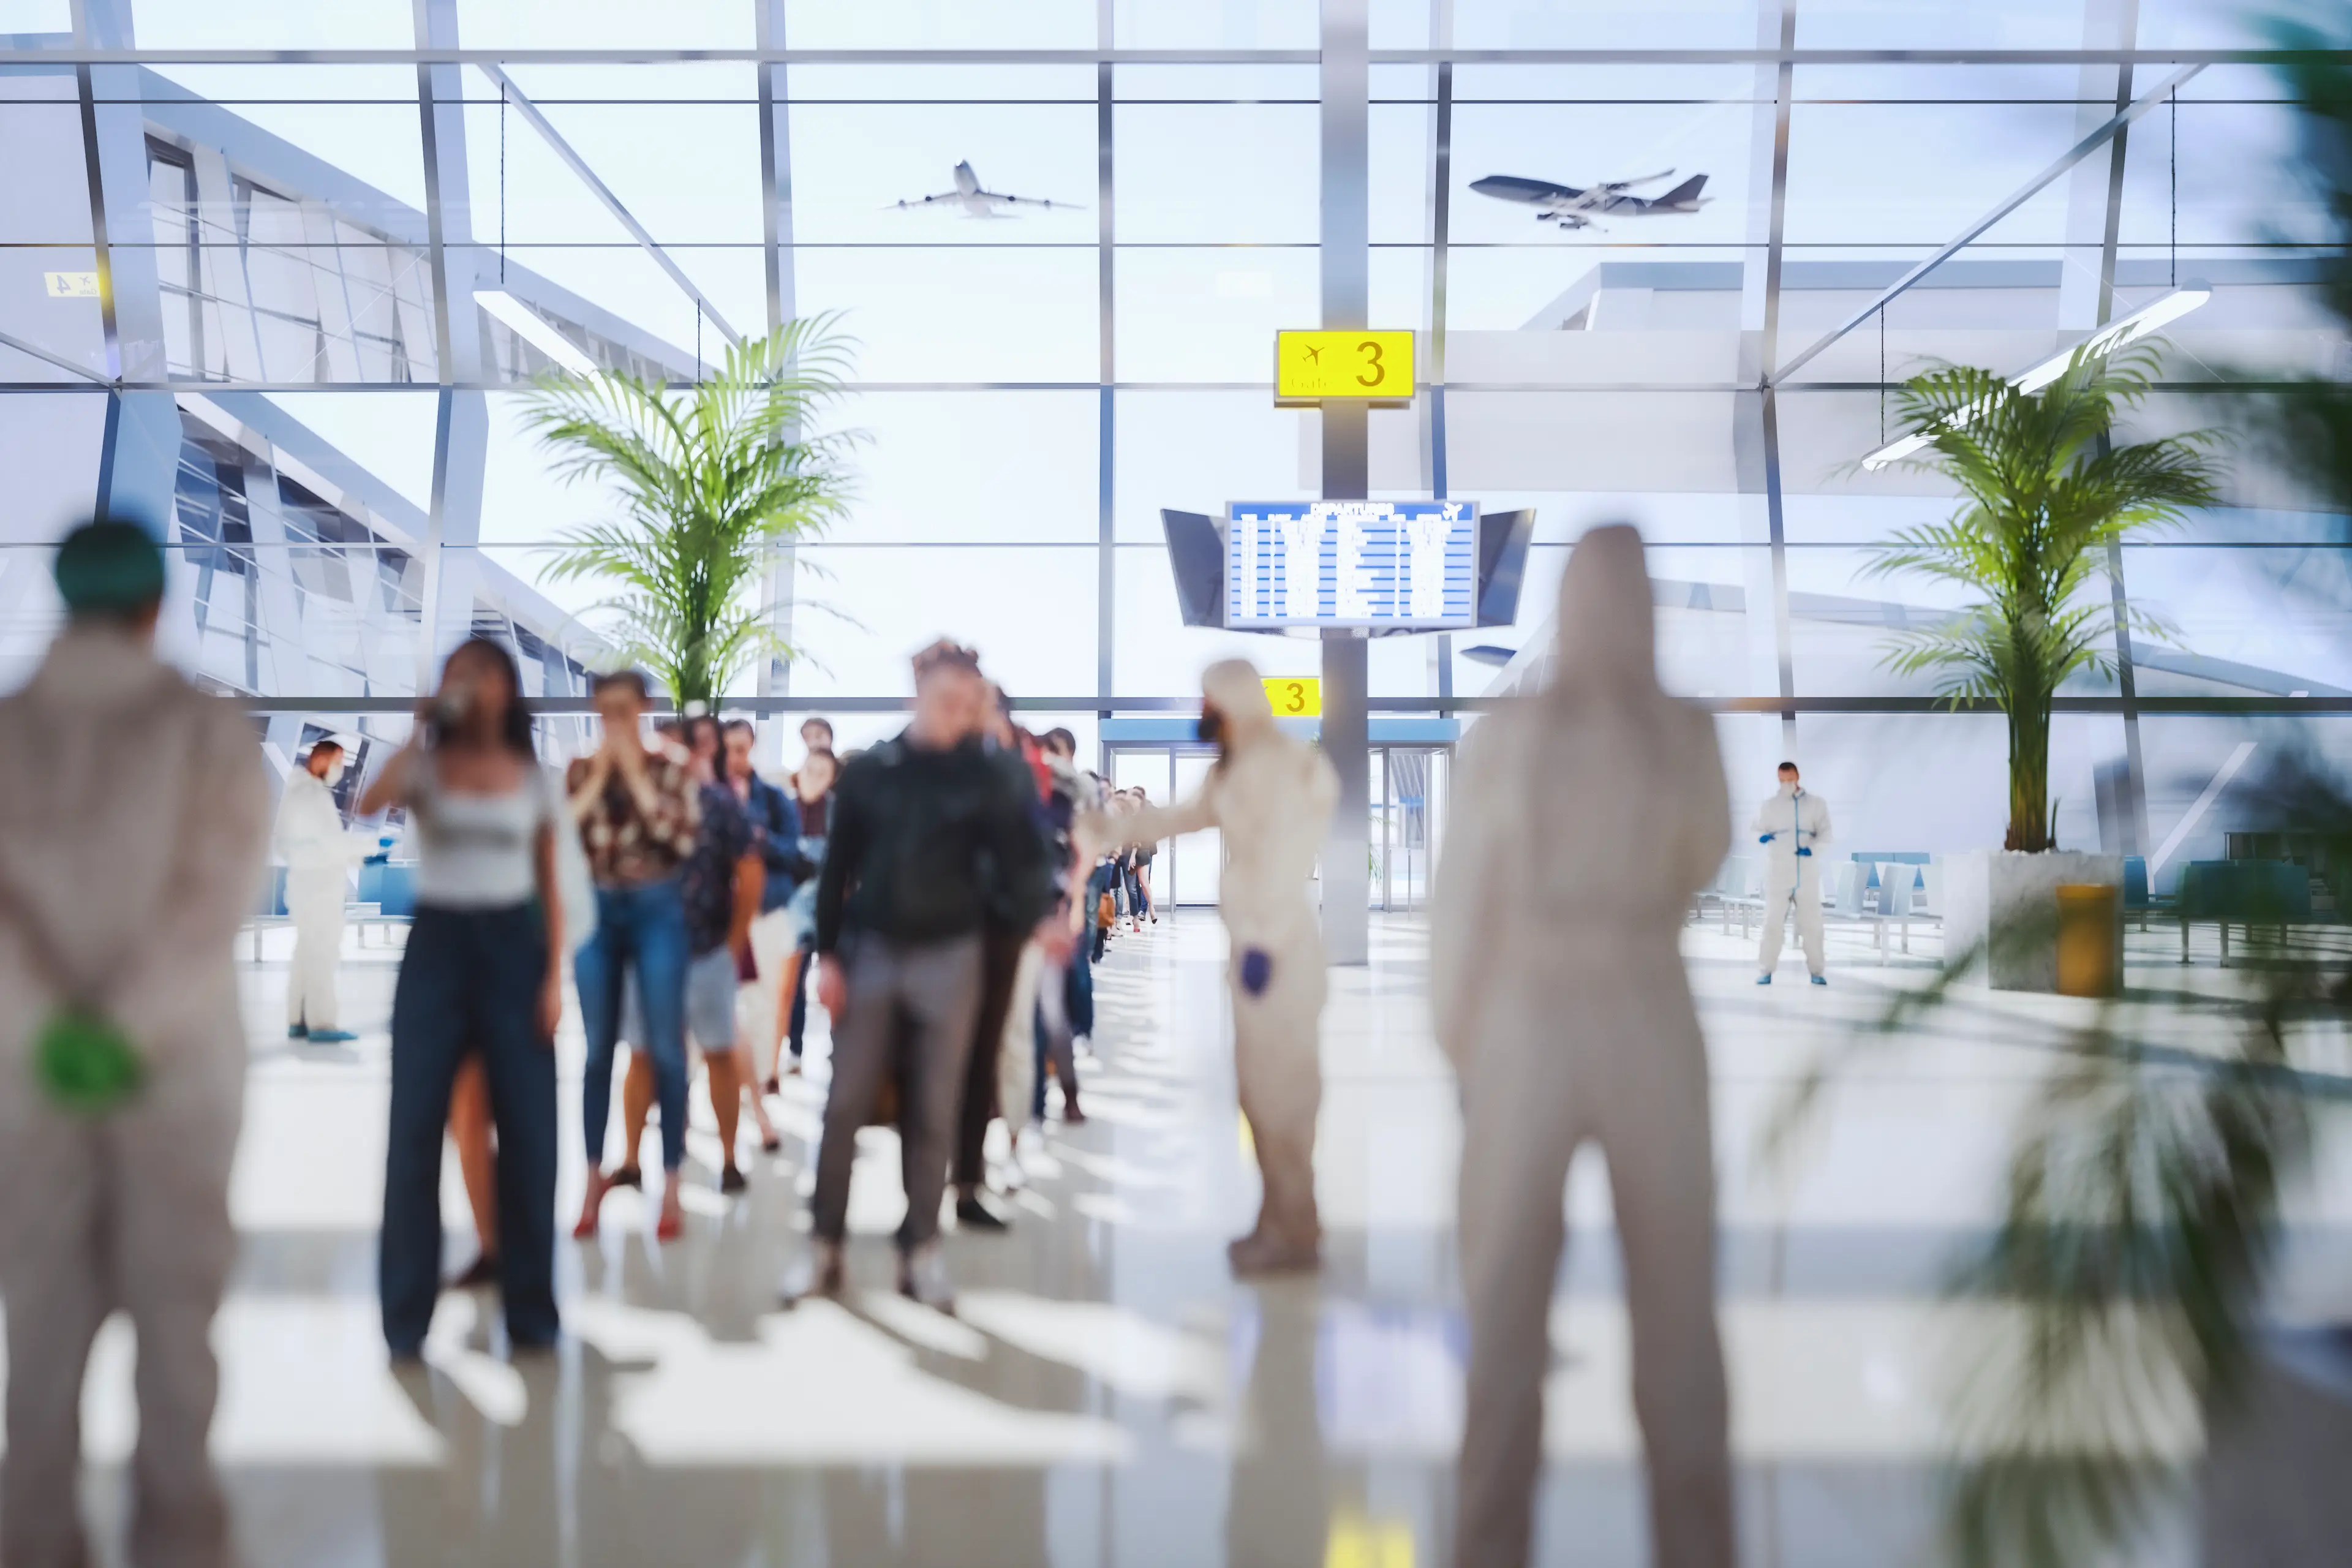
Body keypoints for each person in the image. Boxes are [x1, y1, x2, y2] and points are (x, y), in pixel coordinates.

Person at [1431, 524, 1734, 1568]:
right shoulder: (1539, 732)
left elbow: (1466, 894)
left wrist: (1463, 1033)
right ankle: (1487, 1545)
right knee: (1507, 1306)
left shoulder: (1677, 731)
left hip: (1625, 1006)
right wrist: (1466, 1041)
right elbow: (1466, 891)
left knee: (1678, 1317)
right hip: (1556, 1009)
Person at [0, 519, 269, 1568]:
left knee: (41, 1316)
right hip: (178, 1071)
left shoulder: (8, 730)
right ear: (156, 604)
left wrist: (51, 1023)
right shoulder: (205, 730)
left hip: (30, 1075)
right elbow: (215, 898)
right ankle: (181, 1544)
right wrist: (127, 1025)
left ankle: (30, 1539)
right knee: (174, 1327)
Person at [784, 641, 1060, 1310]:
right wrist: (829, 956)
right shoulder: (874, 772)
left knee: (935, 1108)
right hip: (872, 950)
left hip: (953, 955)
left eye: (972, 705)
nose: (960, 715)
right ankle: (824, 1246)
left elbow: (1025, 857)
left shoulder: (989, 777)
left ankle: (921, 1251)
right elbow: (837, 870)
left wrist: (1038, 915)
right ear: (917, 694)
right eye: (948, 701)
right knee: (845, 1100)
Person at [1082, 659, 1337, 1275]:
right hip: (1251, 953)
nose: (1202, 714)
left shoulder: (1286, 765)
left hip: (1277, 956)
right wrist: (1100, 826)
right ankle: (1280, 1218)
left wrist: (1263, 944)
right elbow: (1181, 818)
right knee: (1257, 1094)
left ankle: (1296, 1227)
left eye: (1208, 703)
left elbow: (1288, 858)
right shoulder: (1234, 766)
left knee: (1284, 1096)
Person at [361, 636, 566, 1360]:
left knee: (532, 1134)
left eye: (486, 673)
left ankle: (534, 1314)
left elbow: (551, 882)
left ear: (509, 690)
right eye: (460, 674)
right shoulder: (424, 764)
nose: (473, 685)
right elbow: (367, 801)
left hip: (516, 949)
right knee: (414, 1130)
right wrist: (418, 725)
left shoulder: (534, 776)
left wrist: (553, 977)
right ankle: (404, 1321)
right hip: (438, 947)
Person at [568, 671, 700, 1243]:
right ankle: (592, 1180)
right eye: (605, 712)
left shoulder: (673, 766)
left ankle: (671, 1183)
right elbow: (564, 839)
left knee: (666, 1051)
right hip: (597, 909)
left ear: (644, 708)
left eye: (624, 710)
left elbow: (682, 842)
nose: (614, 723)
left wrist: (639, 782)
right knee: (597, 1052)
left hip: (656, 908)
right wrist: (602, 777)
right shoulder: (580, 768)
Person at [613, 714, 764, 1193]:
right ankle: (633, 1160)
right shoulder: (637, 800)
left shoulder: (719, 803)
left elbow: (750, 871)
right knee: (641, 1056)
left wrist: (733, 943)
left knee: (719, 1054)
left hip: (706, 951)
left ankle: (728, 1158)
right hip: (647, 953)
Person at [951, 685, 1050, 1231]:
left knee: (1013, 1038)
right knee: (957, 1047)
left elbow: (1036, 850)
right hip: (950, 928)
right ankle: (962, 1167)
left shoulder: (1023, 774)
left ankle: (1010, 1145)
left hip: (1012, 927)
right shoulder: (939, 765)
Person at [723, 717, 800, 1148]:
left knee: (764, 1005)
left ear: (751, 748)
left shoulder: (772, 799)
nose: (735, 757)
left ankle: (759, 1092)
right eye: (728, 748)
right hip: (720, 918)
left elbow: (792, 850)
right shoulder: (709, 794)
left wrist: (754, 833)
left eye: (741, 748)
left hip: (767, 915)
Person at [274, 736, 369, 1043]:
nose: (341, 770)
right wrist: (365, 850)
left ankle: (298, 1019)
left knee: (306, 953)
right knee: (321, 955)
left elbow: (319, 844)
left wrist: (354, 852)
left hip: (309, 889)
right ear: (322, 760)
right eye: (339, 762)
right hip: (318, 892)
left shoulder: (302, 794)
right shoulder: (311, 797)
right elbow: (329, 844)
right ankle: (321, 1024)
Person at [771, 741, 837, 1080]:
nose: (815, 778)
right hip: (790, 908)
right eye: (810, 770)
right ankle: (792, 1050)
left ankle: (838, 1055)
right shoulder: (784, 808)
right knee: (791, 984)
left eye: (823, 773)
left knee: (835, 979)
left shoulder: (838, 813)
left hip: (829, 908)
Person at [1752, 760, 1831, 986]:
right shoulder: (1770, 806)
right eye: (1783, 779)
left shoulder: (1816, 805)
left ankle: (1817, 971)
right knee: (1772, 923)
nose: (1787, 783)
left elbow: (1826, 835)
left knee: (1812, 924)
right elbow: (1755, 830)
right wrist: (1762, 837)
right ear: (1778, 779)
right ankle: (1766, 970)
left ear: (1798, 777)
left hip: (1806, 873)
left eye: (1790, 779)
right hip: (1779, 872)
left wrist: (1813, 849)